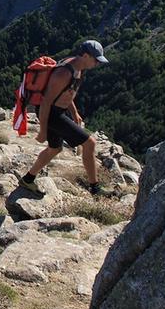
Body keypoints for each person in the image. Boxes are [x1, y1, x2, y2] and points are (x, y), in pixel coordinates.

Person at [20, 40, 109, 196]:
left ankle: (28, 179)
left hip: (58, 111)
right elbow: (46, 102)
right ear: (86, 55)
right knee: (90, 144)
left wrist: (74, 113)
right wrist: (42, 131)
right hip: (51, 113)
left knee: (55, 148)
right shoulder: (64, 73)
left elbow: (68, 93)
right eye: (95, 59)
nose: (97, 63)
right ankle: (95, 189)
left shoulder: (78, 68)